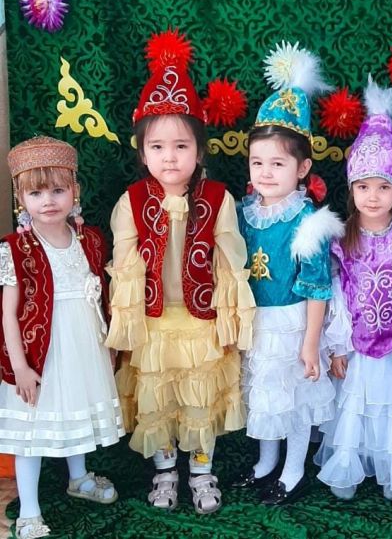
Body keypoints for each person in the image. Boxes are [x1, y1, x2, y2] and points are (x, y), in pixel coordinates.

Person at [105, 30, 254, 515]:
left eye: (181, 145)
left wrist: (229, 322)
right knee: (159, 400)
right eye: (157, 146)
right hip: (152, 322)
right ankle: (165, 471)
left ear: (200, 151)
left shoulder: (218, 198)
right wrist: (126, 329)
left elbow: (230, 265)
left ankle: (202, 472)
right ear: (142, 152)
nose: (169, 157)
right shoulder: (130, 201)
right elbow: (124, 271)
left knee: (199, 400)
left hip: (200, 320)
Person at [234, 42, 343, 505]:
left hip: (293, 322)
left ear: (302, 168)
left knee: (294, 397)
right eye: (257, 162)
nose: (265, 172)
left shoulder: (307, 221)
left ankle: (294, 469)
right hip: (257, 320)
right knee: (266, 394)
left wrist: (311, 342)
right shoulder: (243, 213)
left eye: (278, 163)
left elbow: (318, 288)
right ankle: (266, 462)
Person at [0, 136, 123, 539]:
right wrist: (20, 367)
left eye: (57, 190)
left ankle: (79, 477)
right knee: (33, 430)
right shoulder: (15, 249)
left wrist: (108, 344)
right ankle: (30, 510)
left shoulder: (89, 239)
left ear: (75, 191)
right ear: (20, 198)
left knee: (77, 408)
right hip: (41, 352)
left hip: (83, 345)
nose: (48, 201)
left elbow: (98, 296)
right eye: (36, 193)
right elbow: (8, 313)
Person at [315, 78, 392, 502]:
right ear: (352, 189)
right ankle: (350, 466)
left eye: (383, 187)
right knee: (357, 407)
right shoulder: (341, 239)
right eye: (363, 186)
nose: (373, 197)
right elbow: (337, 294)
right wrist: (337, 346)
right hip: (357, 347)